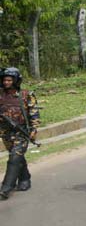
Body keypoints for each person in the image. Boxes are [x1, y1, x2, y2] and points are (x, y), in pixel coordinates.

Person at [0, 67, 40, 200]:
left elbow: (34, 114)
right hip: (5, 132)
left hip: (21, 132)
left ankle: (6, 188)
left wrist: (34, 130)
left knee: (14, 158)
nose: (6, 82)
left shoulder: (26, 95)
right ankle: (25, 179)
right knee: (17, 157)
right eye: (4, 80)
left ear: (16, 81)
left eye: (9, 80)